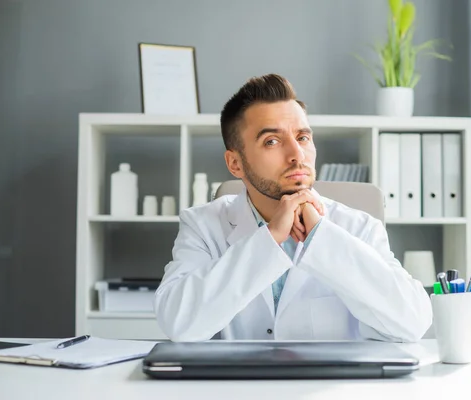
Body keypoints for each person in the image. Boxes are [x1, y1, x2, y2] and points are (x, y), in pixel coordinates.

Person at [154, 74, 432, 342]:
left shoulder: (359, 227)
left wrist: (322, 237)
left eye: (302, 138)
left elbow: (413, 322)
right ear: (235, 163)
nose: (297, 155)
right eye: (272, 141)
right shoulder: (203, 225)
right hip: (238, 388)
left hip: (327, 389)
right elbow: (178, 323)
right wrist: (269, 238)